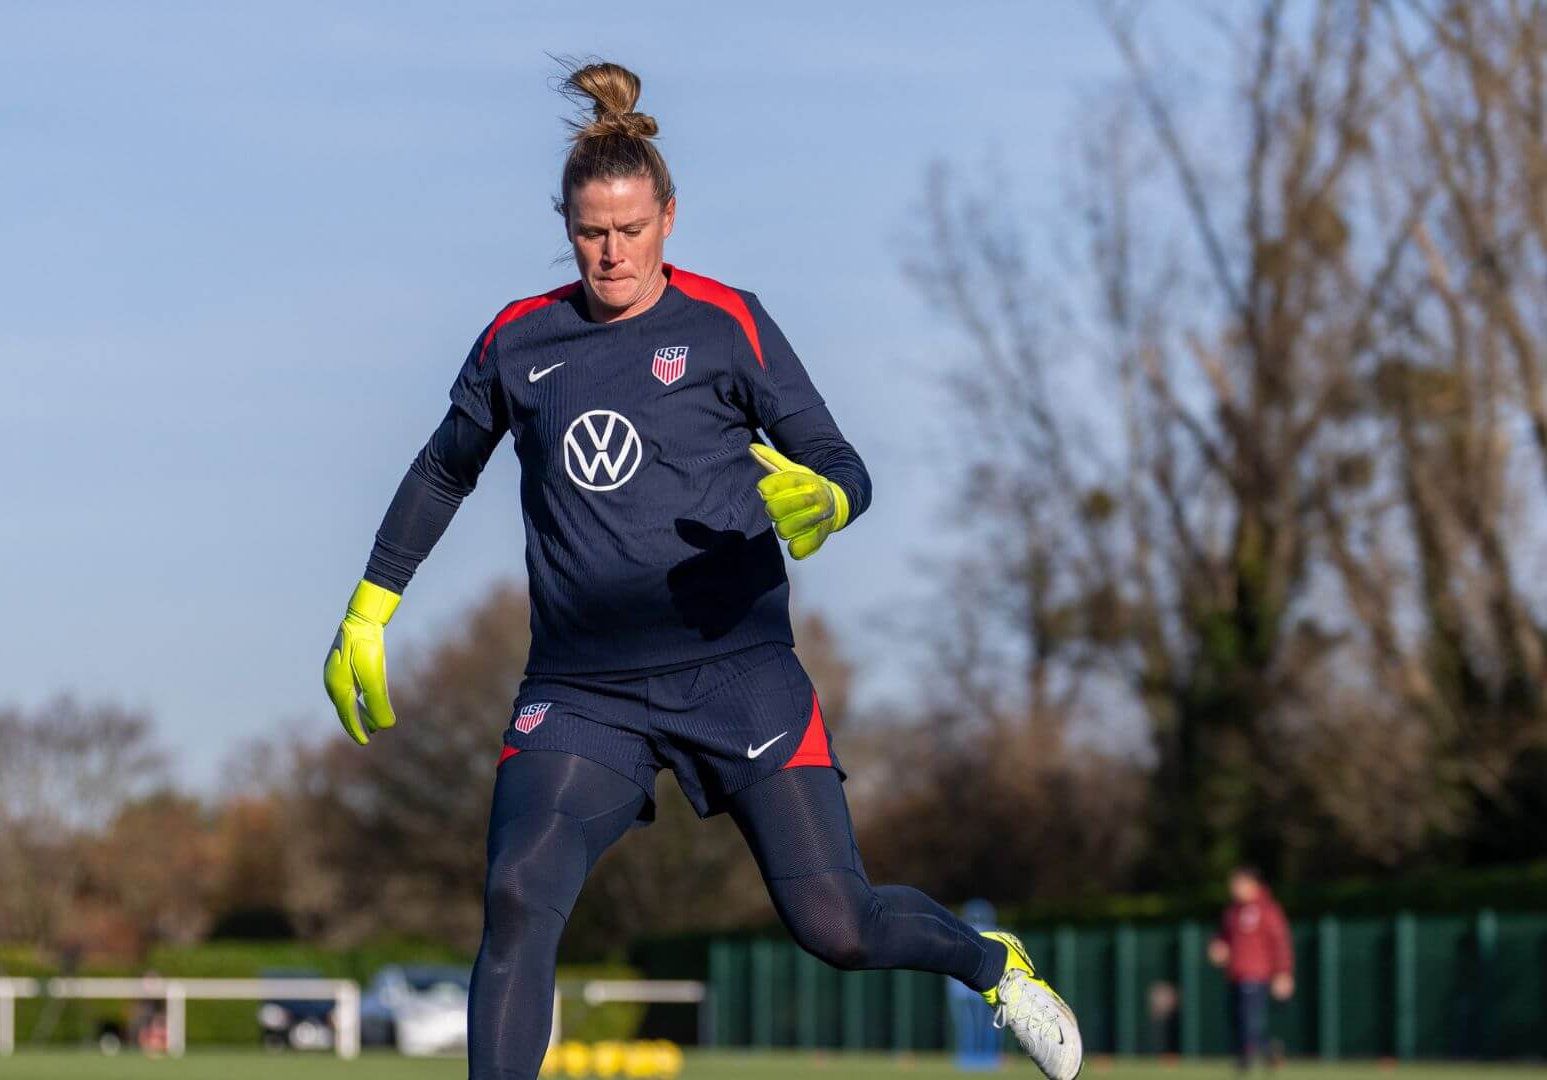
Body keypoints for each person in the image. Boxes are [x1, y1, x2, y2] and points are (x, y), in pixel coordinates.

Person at [322, 60, 1082, 1080]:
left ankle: (993, 964)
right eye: (591, 231)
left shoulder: (729, 323)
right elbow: (439, 469)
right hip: (583, 690)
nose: (612, 252)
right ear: (565, 223)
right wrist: (371, 607)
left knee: (837, 925)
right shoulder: (519, 341)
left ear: (669, 219)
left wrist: (829, 503)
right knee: (516, 896)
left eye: (632, 230)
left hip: (739, 673)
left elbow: (843, 462)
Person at [1208, 867, 1294, 1073]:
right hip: (1234, 975)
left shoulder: (1267, 910)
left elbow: (1280, 942)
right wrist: (1219, 947)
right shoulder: (1232, 912)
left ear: (1253, 885)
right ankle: (1268, 1051)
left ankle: (1245, 1062)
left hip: (1257, 974)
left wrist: (1283, 973)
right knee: (1237, 1020)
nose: (1234, 889)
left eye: (1238, 883)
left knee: (1249, 1020)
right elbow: (1223, 938)